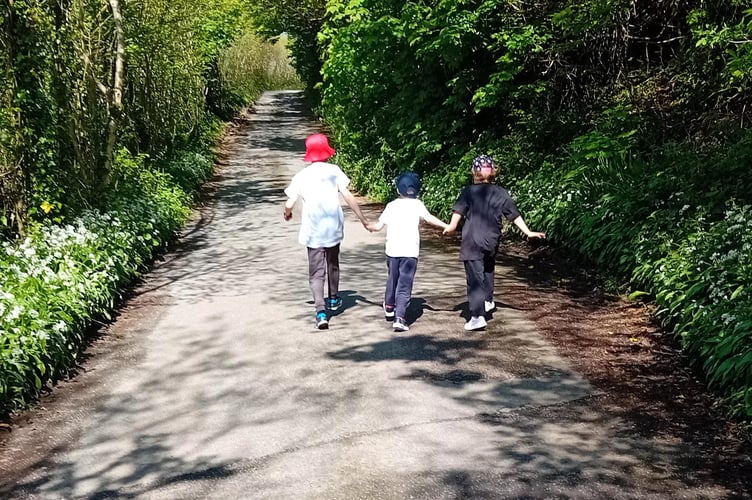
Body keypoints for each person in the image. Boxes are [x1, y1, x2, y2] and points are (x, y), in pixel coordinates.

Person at [444, 155, 545, 331]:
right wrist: (528, 232)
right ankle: (488, 300)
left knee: (475, 278)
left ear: (474, 172)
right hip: (492, 239)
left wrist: (450, 227)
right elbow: (514, 215)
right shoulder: (501, 192)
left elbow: (456, 216)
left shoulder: (468, 192)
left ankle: (477, 316)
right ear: (493, 172)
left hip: (472, 241)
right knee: (488, 268)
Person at [284, 133, 370, 329]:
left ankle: (320, 312)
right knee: (333, 264)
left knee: (316, 272)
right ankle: (333, 298)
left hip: (313, 231)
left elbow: (289, 202)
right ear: (326, 152)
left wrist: (287, 213)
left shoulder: (302, 176)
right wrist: (363, 219)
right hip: (332, 228)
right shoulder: (334, 171)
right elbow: (348, 195)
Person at [366, 172, 449, 332]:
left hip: (392, 251)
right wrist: (446, 226)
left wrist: (368, 225)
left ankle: (389, 307)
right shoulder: (418, 205)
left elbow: (378, 226)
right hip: (410, 252)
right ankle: (400, 318)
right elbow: (429, 218)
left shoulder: (391, 205)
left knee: (392, 279)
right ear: (417, 190)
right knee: (405, 283)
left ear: (398, 189)